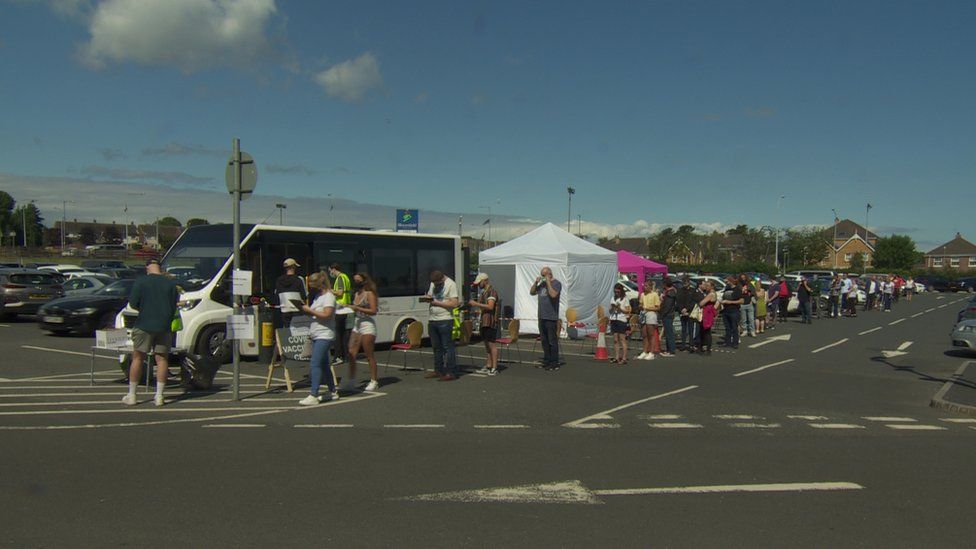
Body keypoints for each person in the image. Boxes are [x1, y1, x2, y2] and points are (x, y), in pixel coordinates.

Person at [122, 259, 179, 407]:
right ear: (160, 268)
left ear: (147, 268)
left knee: (138, 358)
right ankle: (159, 395)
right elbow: (174, 305)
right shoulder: (171, 284)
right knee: (162, 359)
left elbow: (133, 303)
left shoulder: (141, 282)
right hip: (164, 326)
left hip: (144, 324)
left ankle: (132, 394)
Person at [298, 272, 339, 405]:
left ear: (319, 283)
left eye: (312, 283)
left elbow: (327, 314)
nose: (310, 286)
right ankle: (333, 391)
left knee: (315, 363)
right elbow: (316, 314)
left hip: (325, 334)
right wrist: (306, 310)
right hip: (316, 333)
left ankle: (313, 394)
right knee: (324, 364)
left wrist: (309, 311)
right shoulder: (318, 296)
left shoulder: (329, 297)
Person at [346, 272, 380, 392]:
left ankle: (374, 380)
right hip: (357, 323)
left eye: (358, 281)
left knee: (368, 354)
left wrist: (358, 308)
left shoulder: (369, 294)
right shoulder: (356, 294)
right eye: (354, 281)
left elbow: (374, 310)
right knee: (351, 352)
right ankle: (351, 380)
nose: (356, 283)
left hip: (367, 324)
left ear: (364, 281)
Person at [424, 270, 461, 381]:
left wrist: (437, 303)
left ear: (442, 279)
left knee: (448, 347)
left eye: (437, 283)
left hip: (445, 319)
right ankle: (438, 370)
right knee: (436, 347)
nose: (435, 285)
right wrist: (427, 298)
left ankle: (451, 372)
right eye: (434, 283)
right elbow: (431, 296)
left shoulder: (451, 284)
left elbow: (454, 303)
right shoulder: (433, 283)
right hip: (433, 319)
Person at [530, 266, 563, 371]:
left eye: (544, 275)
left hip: (551, 317)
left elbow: (553, 295)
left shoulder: (556, 283)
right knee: (544, 340)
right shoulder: (542, 284)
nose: (543, 277)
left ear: (550, 274)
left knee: (552, 341)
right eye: (542, 275)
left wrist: (548, 282)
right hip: (541, 316)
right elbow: (532, 292)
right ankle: (547, 360)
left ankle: (554, 362)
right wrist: (536, 282)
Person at [468, 273, 500, 375]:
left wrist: (476, 304)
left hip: (490, 322)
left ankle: (494, 368)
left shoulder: (491, 292)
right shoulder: (483, 292)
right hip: (484, 321)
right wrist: (478, 311)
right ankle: (488, 365)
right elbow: (485, 307)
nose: (478, 285)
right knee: (487, 345)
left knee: (492, 345)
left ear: (485, 281)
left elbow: (490, 307)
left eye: (479, 283)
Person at [328, 263, 353, 366]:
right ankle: (346, 356)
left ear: (334, 269)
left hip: (341, 309)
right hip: (347, 309)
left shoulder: (340, 278)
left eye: (330, 271)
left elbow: (340, 293)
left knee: (338, 334)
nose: (330, 273)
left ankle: (339, 356)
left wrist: (329, 291)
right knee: (345, 335)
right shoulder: (346, 277)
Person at [274, 258, 307, 328]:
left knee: (287, 329)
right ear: (293, 267)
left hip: (284, 308)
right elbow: (304, 296)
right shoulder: (299, 279)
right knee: (297, 330)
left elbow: (277, 295)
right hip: (296, 309)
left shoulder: (279, 280)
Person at [638, 280, 660, 360]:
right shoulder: (642, 294)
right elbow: (640, 304)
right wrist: (640, 306)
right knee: (644, 334)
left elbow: (658, 307)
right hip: (643, 313)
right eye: (644, 285)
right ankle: (645, 351)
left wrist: (648, 308)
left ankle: (652, 352)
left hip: (651, 313)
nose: (645, 287)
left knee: (651, 334)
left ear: (650, 287)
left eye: (646, 286)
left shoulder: (655, 295)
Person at [609, 284, 632, 364]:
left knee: (622, 339)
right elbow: (610, 311)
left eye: (618, 291)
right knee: (615, 340)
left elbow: (627, 311)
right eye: (615, 291)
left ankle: (624, 358)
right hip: (614, 319)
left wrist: (620, 308)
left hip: (621, 319)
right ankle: (617, 357)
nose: (616, 293)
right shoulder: (613, 298)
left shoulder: (625, 299)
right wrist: (612, 307)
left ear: (621, 291)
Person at [720, 275, 743, 348]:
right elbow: (723, 297)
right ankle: (728, 342)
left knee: (734, 327)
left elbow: (741, 301)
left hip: (734, 311)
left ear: (731, 281)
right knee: (727, 328)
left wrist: (730, 302)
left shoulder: (737, 289)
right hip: (726, 310)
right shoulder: (726, 289)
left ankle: (735, 343)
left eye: (727, 281)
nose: (726, 282)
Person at [676, 276, 696, 350]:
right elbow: (678, 301)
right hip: (682, 312)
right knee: (683, 329)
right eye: (683, 282)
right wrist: (681, 309)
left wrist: (687, 309)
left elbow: (693, 302)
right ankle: (683, 345)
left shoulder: (693, 290)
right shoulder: (680, 290)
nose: (684, 284)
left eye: (686, 282)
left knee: (691, 329)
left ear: (689, 282)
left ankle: (691, 344)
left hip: (690, 312)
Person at [659, 277, 678, 356]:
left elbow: (668, 306)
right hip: (667, 314)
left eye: (663, 283)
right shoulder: (669, 292)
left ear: (665, 284)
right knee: (667, 332)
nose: (662, 285)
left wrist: (662, 314)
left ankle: (671, 350)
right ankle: (668, 349)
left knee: (669, 333)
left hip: (668, 315)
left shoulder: (670, 293)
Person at [699, 280, 718, 356]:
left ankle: (707, 349)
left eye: (707, 285)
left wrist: (702, 302)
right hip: (709, 311)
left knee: (706, 330)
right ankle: (705, 347)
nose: (706, 287)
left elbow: (701, 303)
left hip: (708, 312)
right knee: (706, 330)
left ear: (712, 286)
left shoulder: (711, 294)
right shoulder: (713, 293)